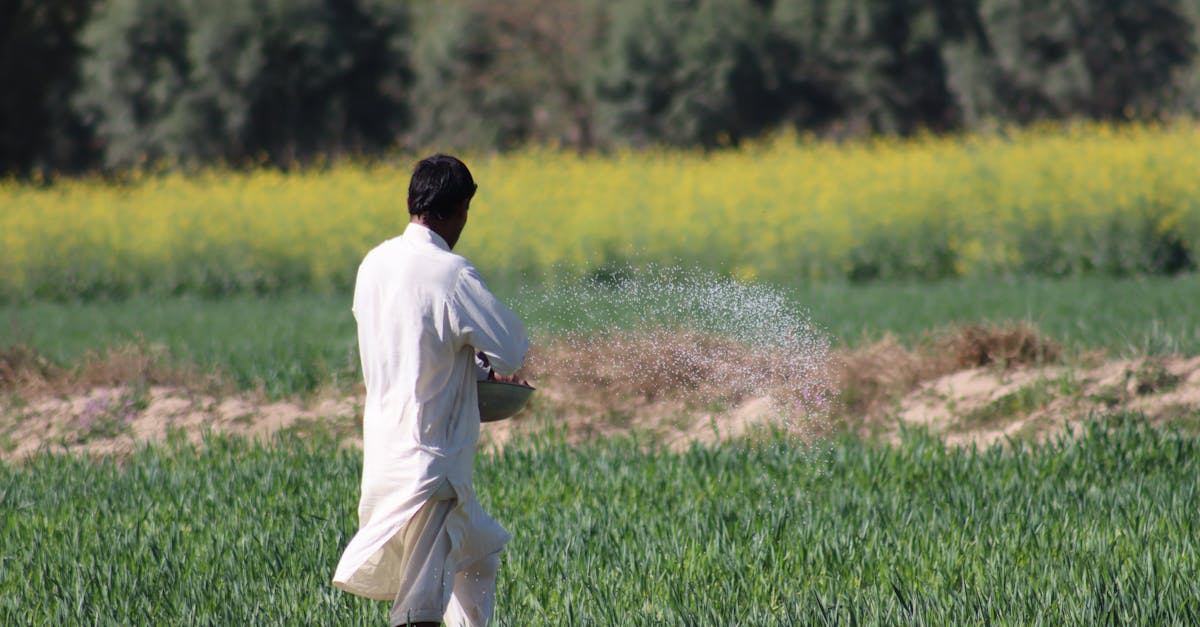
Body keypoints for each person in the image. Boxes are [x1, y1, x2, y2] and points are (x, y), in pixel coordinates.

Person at [333, 154, 529, 627]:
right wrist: (485, 367)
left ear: (410, 202)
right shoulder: (451, 272)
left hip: (387, 451)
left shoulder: (374, 264)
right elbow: (510, 350)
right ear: (460, 210)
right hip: (432, 464)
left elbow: (413, 343)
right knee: (419, 610)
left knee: (480, 556)